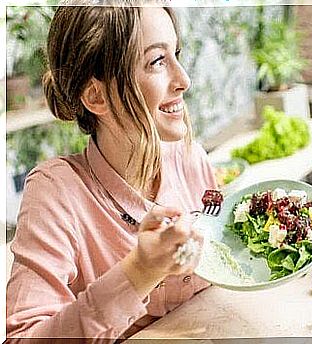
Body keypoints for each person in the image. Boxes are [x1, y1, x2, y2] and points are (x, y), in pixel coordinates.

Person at [6, 2, 217, 342]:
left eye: (176, 53)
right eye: (157, 61)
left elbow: (220, 246)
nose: (184, 80)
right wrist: (140, 271)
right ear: (96, 96)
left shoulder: (191, 158)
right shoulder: (55, 193)